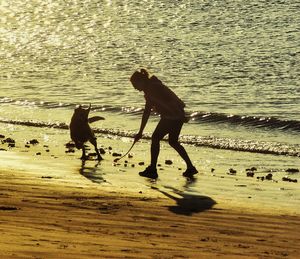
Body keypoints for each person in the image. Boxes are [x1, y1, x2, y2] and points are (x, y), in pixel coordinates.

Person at [130, 68, 198, 179]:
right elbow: (147, 111)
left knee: (156, 138)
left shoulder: (153, 88)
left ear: (141, 81)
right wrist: (140, 132)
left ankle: (153, 169)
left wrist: (179, 116)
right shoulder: (150, 88)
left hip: (172, 116)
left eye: (135, 85)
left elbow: (168, 102)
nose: (135, 88)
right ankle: (190, 167)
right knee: (173, 142)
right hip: (176, 115)